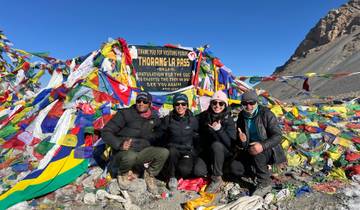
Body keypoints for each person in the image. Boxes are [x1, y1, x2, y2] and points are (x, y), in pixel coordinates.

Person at [101, 91, 169, 195]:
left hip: (142, 152)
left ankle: (149, 174)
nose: (141, 103)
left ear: (150, 104)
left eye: (144, 101)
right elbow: (106, 131)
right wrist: (119, 144)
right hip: (124, 152)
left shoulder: (154, 117)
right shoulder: (125, 114)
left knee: (163, 152)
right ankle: (123, 173)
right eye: (139, 101)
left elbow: (159, 134)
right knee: (130, 156)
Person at [231, 90, 286, 197]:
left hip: (268, 149)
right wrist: (242, 141)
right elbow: (242, 140)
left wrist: (262, 145)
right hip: (250, 148)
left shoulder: (266, 114)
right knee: (235, 168)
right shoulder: (242, 116)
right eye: (245, 104)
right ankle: (260, 170)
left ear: (257, 102)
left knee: (256, 151)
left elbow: (278, 136)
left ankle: (265, 183)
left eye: (251, 103)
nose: (249, 106)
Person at [196, 90, 237, 193]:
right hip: (207, 152)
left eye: (221, 103)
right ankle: (212, 169)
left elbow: (230, 143)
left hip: (224, 153)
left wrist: (219, 130)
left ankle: (217, 178)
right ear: (211, 104)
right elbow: (192, 123)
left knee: (216, 145)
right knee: (198, 171)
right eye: (214, 102)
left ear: (225, 105)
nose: (217, 106)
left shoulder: (229, 120)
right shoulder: (203, 116)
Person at [158, 93, 199, 191]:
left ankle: (177, 172)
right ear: (174, 106)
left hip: (187, 150)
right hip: (173, 150)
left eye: (183, 104)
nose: (180, 106)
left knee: (185, 170)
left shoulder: (193, 120)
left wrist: (195, 152)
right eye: (177, 104)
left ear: (187, 105)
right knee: (171, 151)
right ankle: (171, 177)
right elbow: (159, 135)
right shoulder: (168, 119)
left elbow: (198, 136)